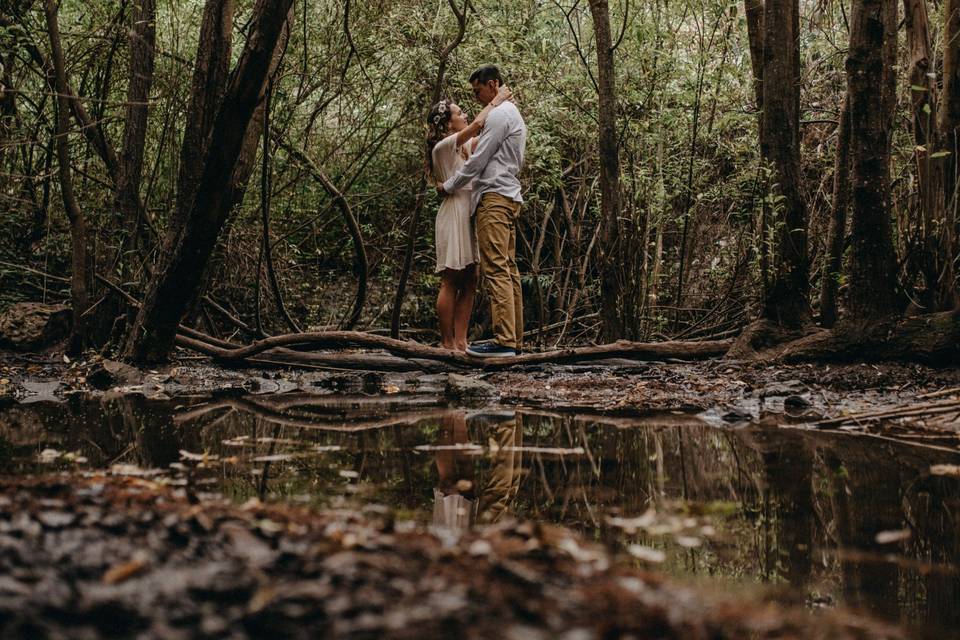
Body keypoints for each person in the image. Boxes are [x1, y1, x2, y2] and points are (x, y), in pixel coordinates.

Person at [438, 64, 527, 358]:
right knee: (508, 268)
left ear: (492, 84)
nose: (475, 98)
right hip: (507, 195)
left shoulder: (500, 115)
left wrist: (448, 185)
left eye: (478, 91)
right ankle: (514, 339)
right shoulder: (510, 113)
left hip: (495, 198)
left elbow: (477, 162)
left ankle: (505, 342)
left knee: (497, 269)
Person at [426, 84, 512, 351]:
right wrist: (496, 100)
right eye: (459, 113)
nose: (464, 114)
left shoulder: (463, 149)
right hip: (453, 213)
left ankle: (462, 341)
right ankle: (447, 342)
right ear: (448, 124)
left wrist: (504, 109)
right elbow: (476, 125)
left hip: (469, 211)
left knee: (472, 277)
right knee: (452, 277)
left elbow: (485, 135)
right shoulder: (442, 146)